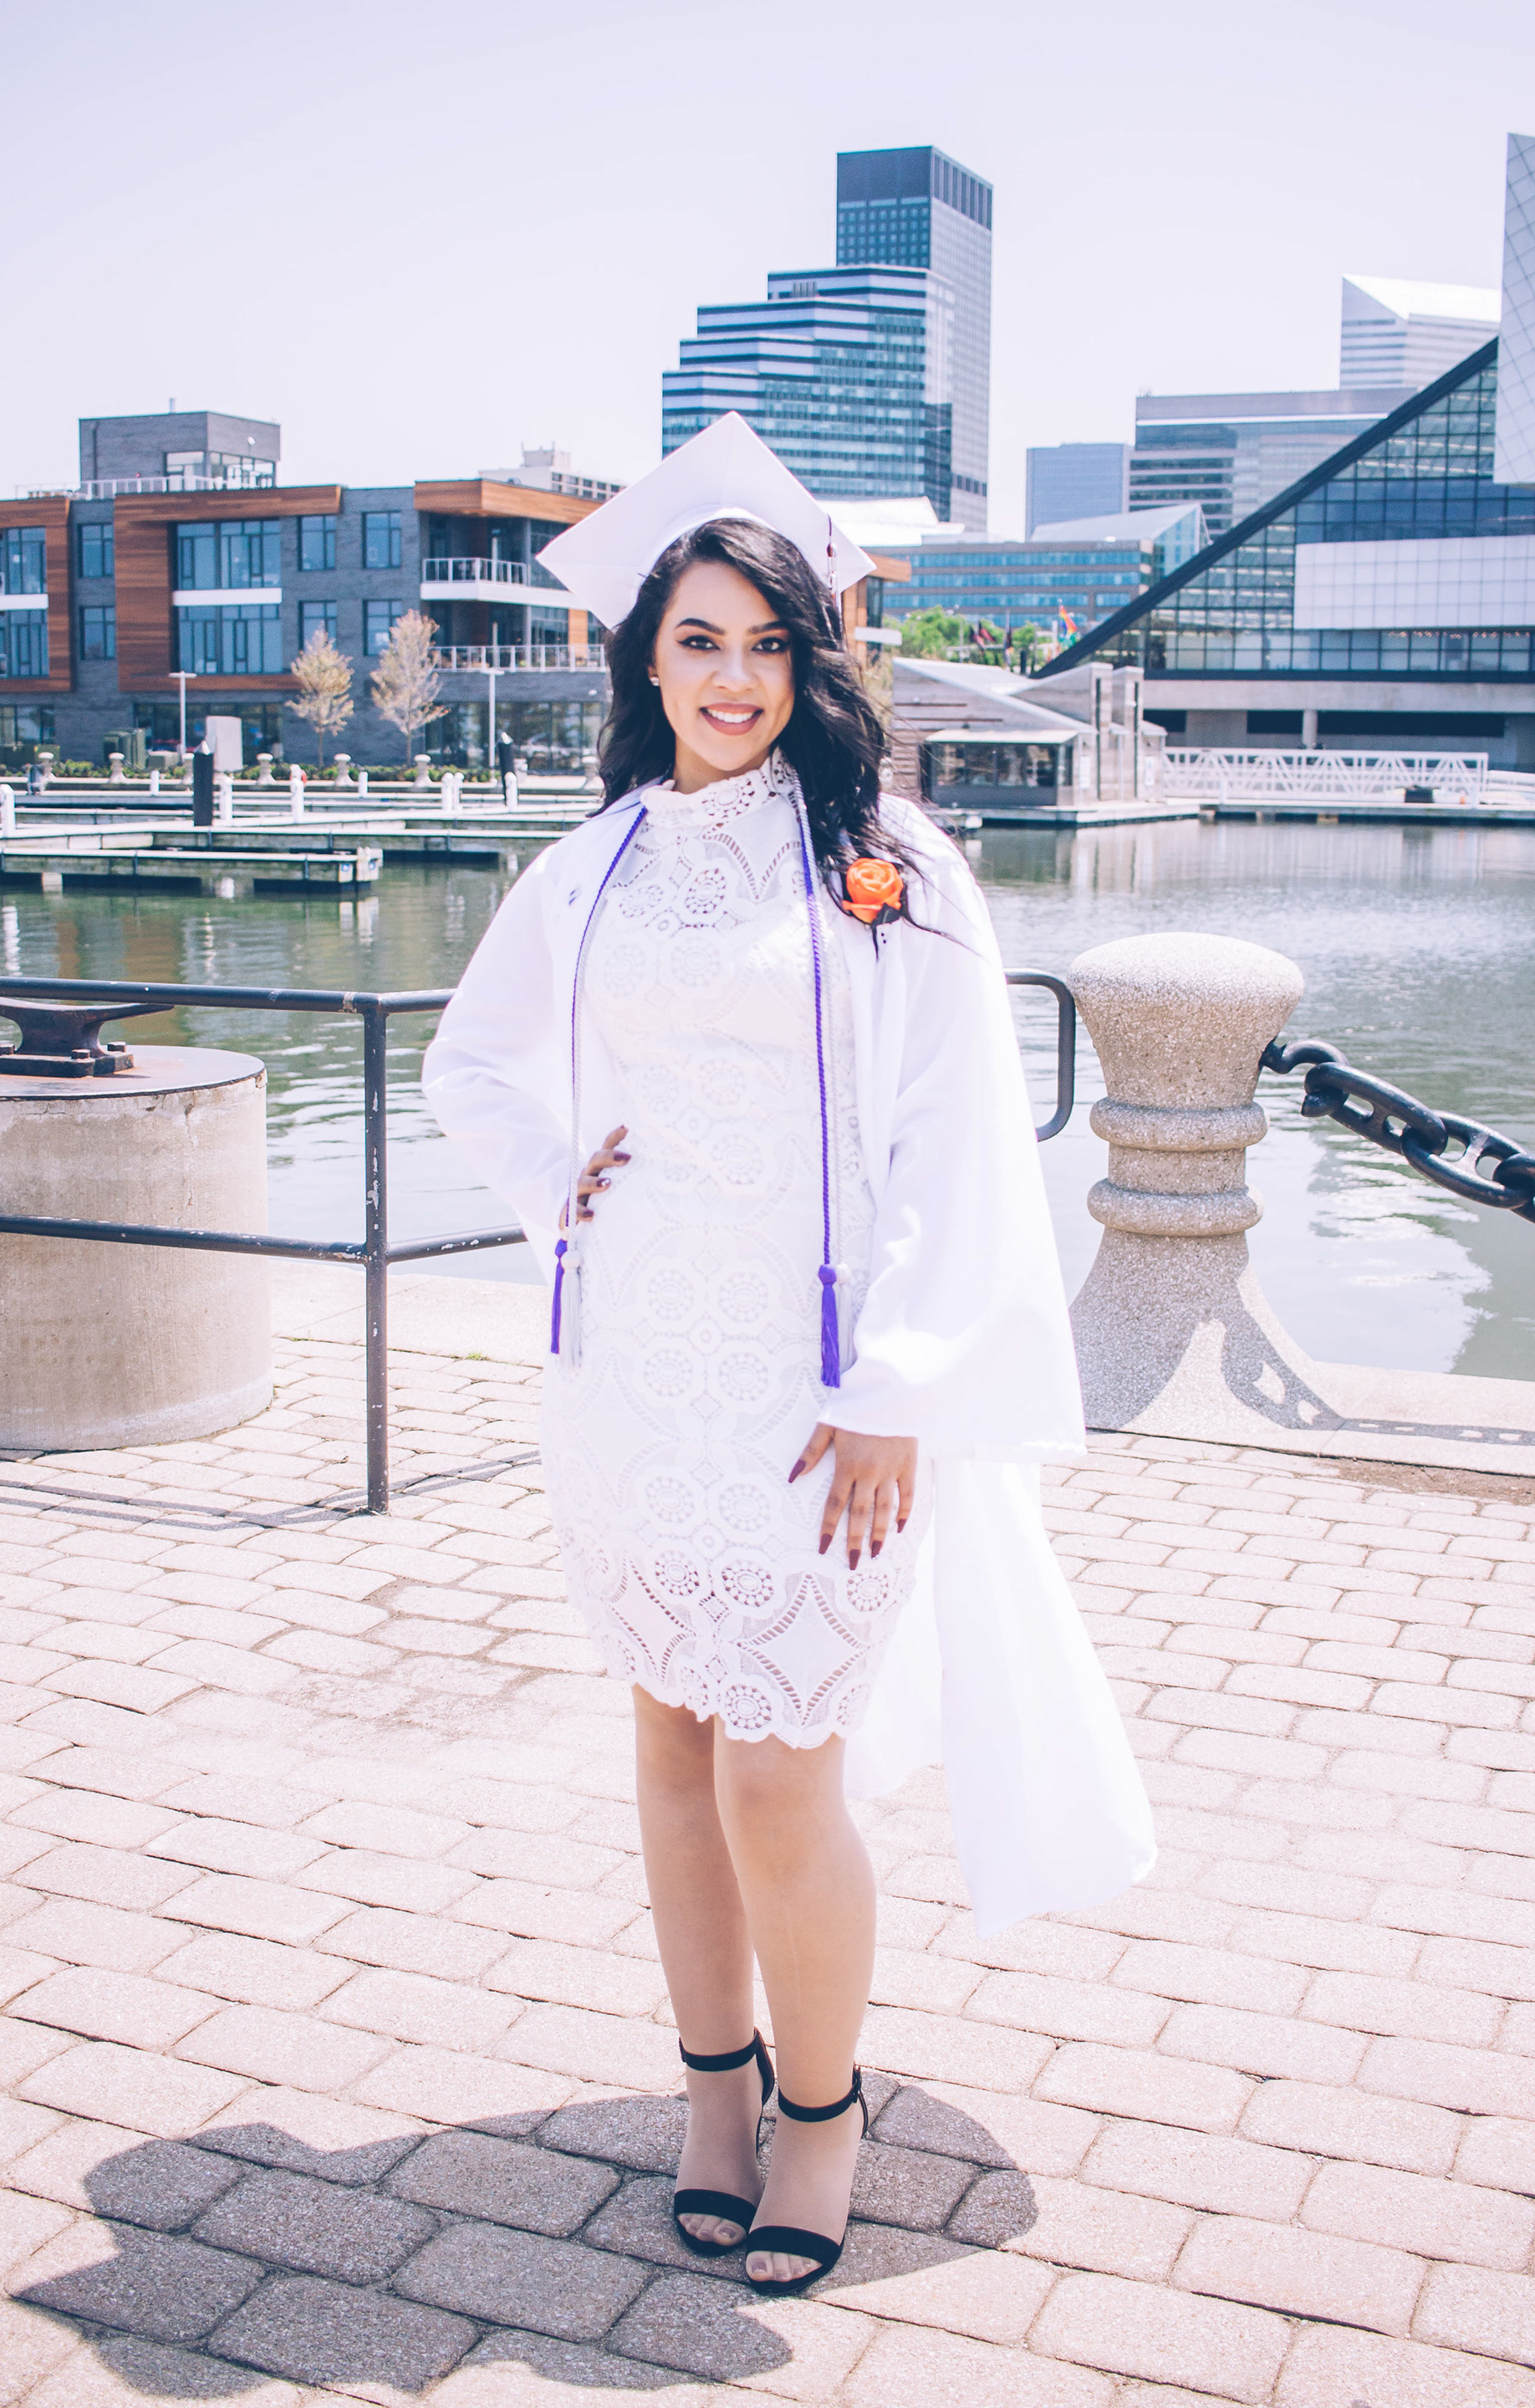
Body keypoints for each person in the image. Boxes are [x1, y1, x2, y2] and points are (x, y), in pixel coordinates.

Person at [423, 414, 1154, 2298]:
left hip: (818, 1400)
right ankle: (712, 2096)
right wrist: (555, 1185)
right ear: (646, 661)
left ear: (809, 661)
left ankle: (822, 2112)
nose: (732, 679)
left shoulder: (885, 868)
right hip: (631, 1385)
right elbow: (471, 1063)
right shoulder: (589, 867)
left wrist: (900, 1383)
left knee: (780, 1775)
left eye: (765, 643)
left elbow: (955, 1131)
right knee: (671, 1743)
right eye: (697, 642)